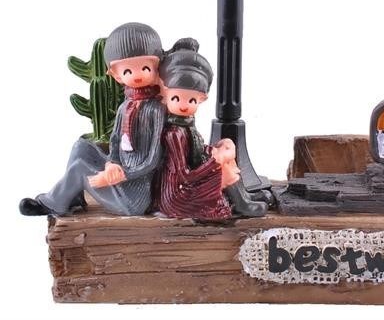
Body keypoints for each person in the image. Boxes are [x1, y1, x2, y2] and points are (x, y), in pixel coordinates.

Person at [20, 22, 166, 217]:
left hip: (132, 196)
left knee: (80, 168)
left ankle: (54, 203)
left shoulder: (155, 109)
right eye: (127, 71)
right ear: (116, 75)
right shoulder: (126, 106)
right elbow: (116, 140)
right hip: (118, 173)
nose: (137, 75)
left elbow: (153, 159)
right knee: (82, 147)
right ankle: (73, 196)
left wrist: (121, 175)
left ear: (157, 67)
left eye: (145, 68)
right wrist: (112, 163)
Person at [155, 38, 267, 219]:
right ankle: (241, 204)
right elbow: (184, 175)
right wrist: (215, 161)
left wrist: (217, 150)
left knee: (226, 157)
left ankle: (242, 196)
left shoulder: (186, 126)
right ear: (165, 96)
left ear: (201, 99)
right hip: (177, 195)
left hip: (185, 184)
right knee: (221, 168)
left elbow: (196, 153)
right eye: (176, 98)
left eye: (191, 100)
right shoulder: (174, 134)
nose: (183, 105)